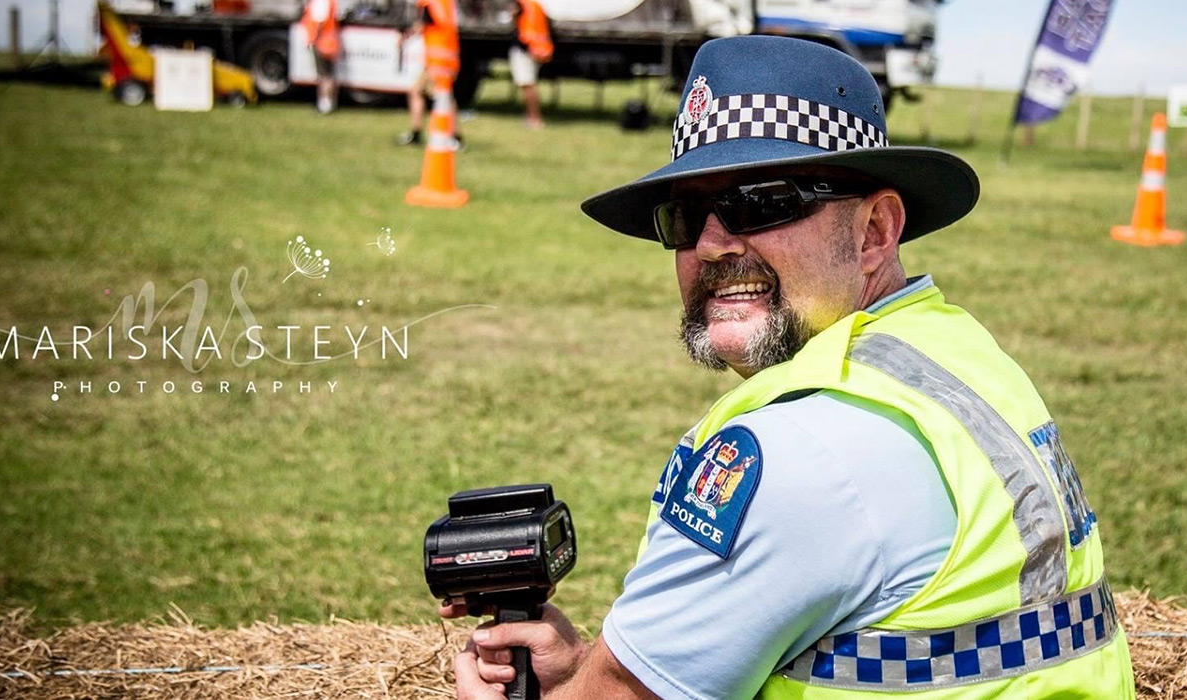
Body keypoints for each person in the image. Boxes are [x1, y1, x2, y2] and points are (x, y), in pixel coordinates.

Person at [446, 36, 1137, 700]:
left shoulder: (802, 453)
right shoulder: (961, 357)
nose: (714, 244)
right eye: (686, 216)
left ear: (874, 232)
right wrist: (585, 670)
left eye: (763, 201)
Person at [399, 0, 464, 146]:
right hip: (443, 58)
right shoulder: (445, 3)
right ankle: (417, 133)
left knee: (443, 98)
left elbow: (422, 24)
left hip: (438, 61)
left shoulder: (431, 3)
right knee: (417, 92)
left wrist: (404, 37)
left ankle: (455, 137)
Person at [509, 0, 551, 130]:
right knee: (530, 85)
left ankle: (534, 119)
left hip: (525, 48)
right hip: (536, 48)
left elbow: (514, 19)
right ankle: (533, 118)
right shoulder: (536, 5)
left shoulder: (522, 4)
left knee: (527, 85)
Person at [300, 0, 340, 114]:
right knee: (329, 74)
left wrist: (313, 39)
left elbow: (319, 21)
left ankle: (324, 104)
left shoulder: (320, 2)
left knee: (324, 75)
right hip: (329, 42)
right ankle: (329, 103)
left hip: (322, 42)